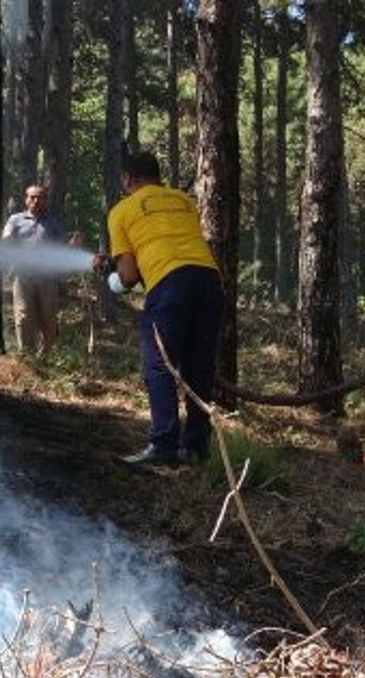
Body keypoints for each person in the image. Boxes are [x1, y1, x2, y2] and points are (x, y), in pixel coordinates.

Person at [92, 151, 224, 466]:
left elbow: (128, 276)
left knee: (158, 365)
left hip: (169, 284)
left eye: (123, 180)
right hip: (208, 280)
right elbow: (166, 238)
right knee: (198, 367)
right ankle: (196, 447)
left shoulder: (121, 211)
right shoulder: (183, 200)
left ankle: (164, 444)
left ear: (129, 179)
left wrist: (110, 278)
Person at [2, 184, 81, 355]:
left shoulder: (53, 223)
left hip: (47, 278)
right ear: (26, 199)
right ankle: (27, 357)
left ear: (45, 200)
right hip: (22, 275)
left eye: (40, 197)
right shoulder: (15, 219)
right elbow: (6, 238)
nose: (36, 201)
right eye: (32, 197)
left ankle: (45, 355)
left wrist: (73, 245)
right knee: (23, 317)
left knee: (49, 319)